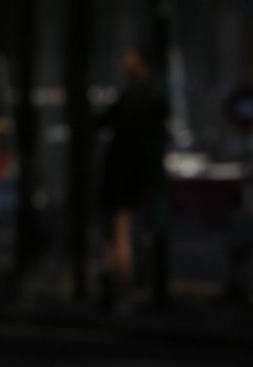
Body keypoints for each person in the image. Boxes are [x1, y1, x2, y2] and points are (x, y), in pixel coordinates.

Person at [97, 45, 168, 312]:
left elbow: (105, 120)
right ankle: (118, 287)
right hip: (131, 171)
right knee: (118, 231)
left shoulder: (137, 96)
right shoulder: (146, 95)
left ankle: (121, 289)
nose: (125, 63)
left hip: (123, 171)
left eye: (131, 59)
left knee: (119, 230)